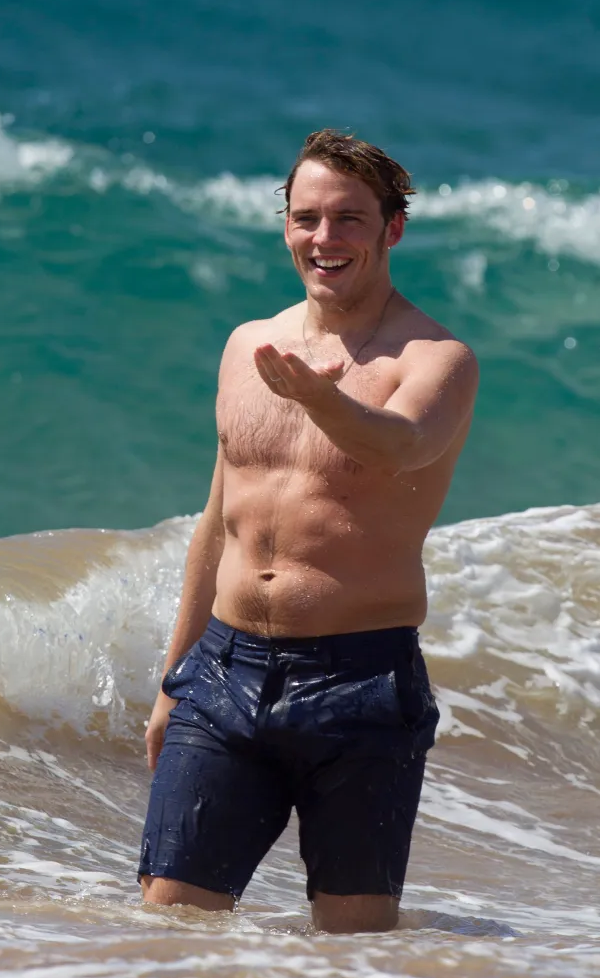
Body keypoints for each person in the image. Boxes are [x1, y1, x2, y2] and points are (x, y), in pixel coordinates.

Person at [138, 129, 478, 933]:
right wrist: (171, 680)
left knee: (351, 951)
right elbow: (218, 525)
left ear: (392, 229)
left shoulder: (435, 359)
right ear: (285, 224)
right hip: (221, 676)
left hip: (360, 685)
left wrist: (321, 401)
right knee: (170, 931)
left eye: (349, 219)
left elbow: (402, 445)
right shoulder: (245, 346)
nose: (324, 239)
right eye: (306, 218)